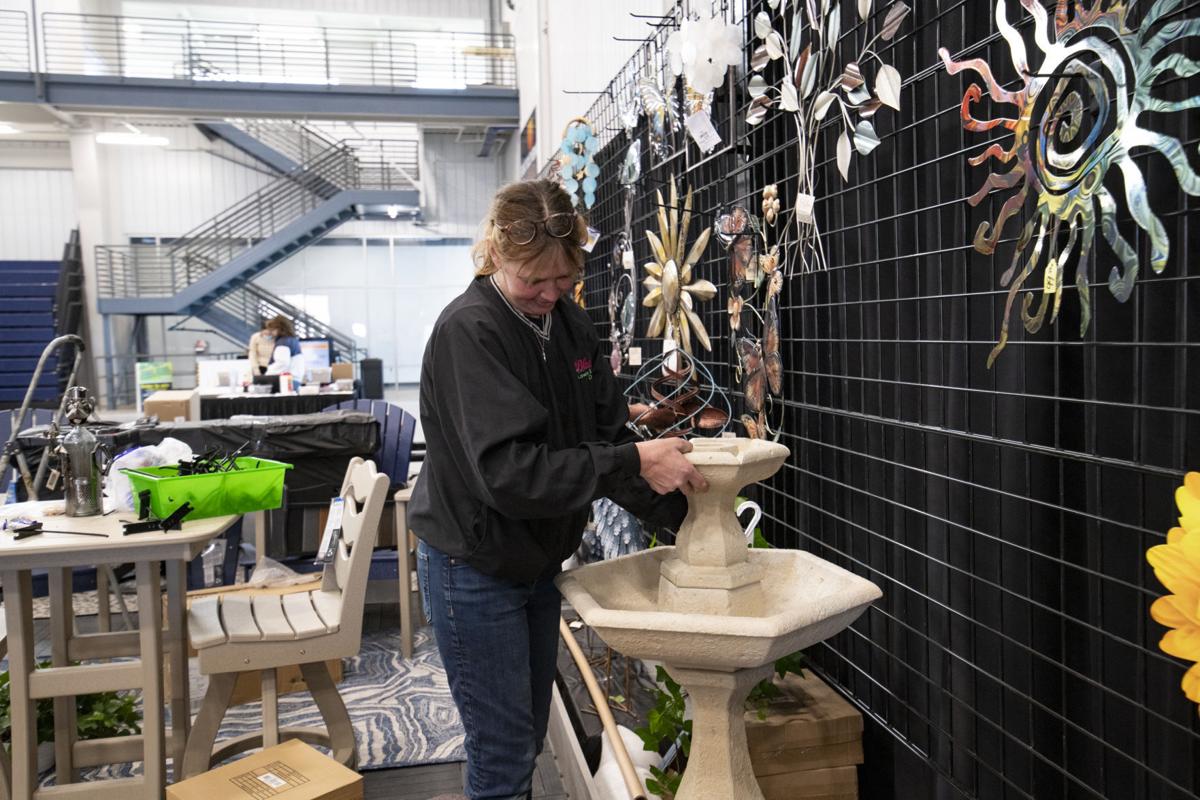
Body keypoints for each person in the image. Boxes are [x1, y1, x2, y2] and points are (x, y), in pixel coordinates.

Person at [409, 179, 708, 800]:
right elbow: (510, 475)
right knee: (503, 752)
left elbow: (604, 434)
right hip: (476, 565)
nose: (548, 294)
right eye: (532, 280)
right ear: (495, 253)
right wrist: (631, 455)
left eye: (563, 279)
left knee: (523, 736)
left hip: (540, 562)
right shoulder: (470, 333)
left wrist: (692, 520)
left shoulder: (569, 325)